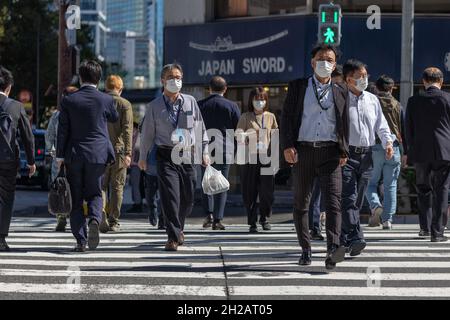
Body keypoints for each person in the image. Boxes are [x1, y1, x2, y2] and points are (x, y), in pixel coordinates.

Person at [281, 45, 350, 270]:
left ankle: (333, 249)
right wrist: (287, 146)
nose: (324, 63)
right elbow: (287, 118)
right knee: (302, 203)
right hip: (303, 151)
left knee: (333, 203)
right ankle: (306, 248)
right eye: (320, 59)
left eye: (329, 59)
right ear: (312, 63)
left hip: (330, 153)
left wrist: (344, 150)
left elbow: (344, 123)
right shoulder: (298, 86)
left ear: (334, 64)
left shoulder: (341, 90)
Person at [138, 63, 210, 252]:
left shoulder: (190, 101)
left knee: (188, 198)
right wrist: (143, 156)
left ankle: (179, 229)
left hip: (187, 153)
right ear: (163, 81)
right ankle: (172, 237)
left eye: (178, 77)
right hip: (166, 154)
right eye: (171, 77)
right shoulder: (154, 106)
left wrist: (204, 151)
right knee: (170, 197)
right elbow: (147, 134)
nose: (175, 81)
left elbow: (200, 127)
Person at [57, 60, 119, 252]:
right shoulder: (106, 100)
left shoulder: (69, 100)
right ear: (98, 79)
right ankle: (94, 219)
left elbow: (63, 130)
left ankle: (81, 241)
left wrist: (60, 156)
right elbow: (114, 117)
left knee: (75, 198)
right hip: (98, 154)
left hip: (74, 154)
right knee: (94, 192)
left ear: (80, 77)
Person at [341, 59, 394, 257]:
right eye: (360, 76)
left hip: (367, 155)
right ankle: (356, 237)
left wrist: (388, 143)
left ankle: (345, 238)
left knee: (358, 199)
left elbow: (382, 125)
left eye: (365, 75)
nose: (364, 79)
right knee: (348, 197)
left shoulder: (372, 99)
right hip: (345, 155)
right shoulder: (340, 98)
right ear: (348, 79)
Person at [405, 67, 450, 242]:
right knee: (442, 189)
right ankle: (437, 232)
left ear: (424, 81)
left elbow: (408, 128)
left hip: (420, 151)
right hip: (444, 151)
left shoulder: (413, 100)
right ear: (441, 81)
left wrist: (410, 150)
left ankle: (424, 227)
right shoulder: (448, 99)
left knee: (423, 189)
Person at [0, 66, 36, 252]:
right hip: (7, 159)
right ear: (8, 88)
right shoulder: (16, 106)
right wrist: (31, 162)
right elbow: (28, 136)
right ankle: (1, 238)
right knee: (6, 198)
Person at [308, 65, 346, 241]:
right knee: (315, 192)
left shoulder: (342, 97)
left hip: (333, 151)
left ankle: (332, 232)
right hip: (313, 149)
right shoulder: (312, 93)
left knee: (332, 194)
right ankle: (315, 226)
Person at [198, 76, 241, 230]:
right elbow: (238, 130)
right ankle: (218, 219)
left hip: (205, 149)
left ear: (209, 89)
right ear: (225, 89)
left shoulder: (200, 105)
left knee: (207, 181)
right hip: (225, 149)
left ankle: (208, 215)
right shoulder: (232, 106)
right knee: (222, 184)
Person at [366, 75, 405, 230]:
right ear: (391, 88)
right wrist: (405, 151)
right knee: (391, 185)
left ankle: (375, 207)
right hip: (394, 147)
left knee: (371, 183)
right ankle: (387, 220)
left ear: (378, 87)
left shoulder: (372, 103)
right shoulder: (397, 105)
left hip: (375, 147)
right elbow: (404, 129)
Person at [237, 87, 278, 233]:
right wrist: (248, 138)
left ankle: (265, 218)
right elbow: (238, 134)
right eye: (256, 99)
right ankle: (252, 221)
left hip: (266, 157)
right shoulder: (245, 116)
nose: (259, 102)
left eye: (262, 99)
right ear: (251, 100)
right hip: (250, 159)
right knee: (250, 191)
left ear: (266, 100)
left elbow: (275, 136)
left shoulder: (270, 117)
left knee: (267, 191)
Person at [100, 75, 133, 233]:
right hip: (119, 151)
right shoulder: (124, 104)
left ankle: (101, 215)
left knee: (101, 186)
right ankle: (114, 221)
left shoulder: (99, 101)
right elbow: (127, 129)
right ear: (120, 88)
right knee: (117, 187)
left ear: (106, 87)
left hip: (100, 150)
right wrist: (128, 152)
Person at [45, 86, 78, 232]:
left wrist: (52, 151)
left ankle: (61, 217)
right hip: (76, 156)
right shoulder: (80, 114)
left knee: (59, 187)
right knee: (76, 187)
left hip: (59, 158)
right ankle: (74, 217)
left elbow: (49, 135)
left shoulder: (57, 115)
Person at [144, 145, 164, 229]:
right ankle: (152, 211)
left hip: (166, 164)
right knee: (151, 193)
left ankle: (163, 219)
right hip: (151, 164)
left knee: (165, 194)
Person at [128, 122, 144, 213]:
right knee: (134, 184)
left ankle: (138, 204)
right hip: (133, 164)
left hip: (136, 164)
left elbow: (137, 149)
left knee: (135, 184)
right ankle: (136, 203)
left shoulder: (138, 136)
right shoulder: (133, 136)